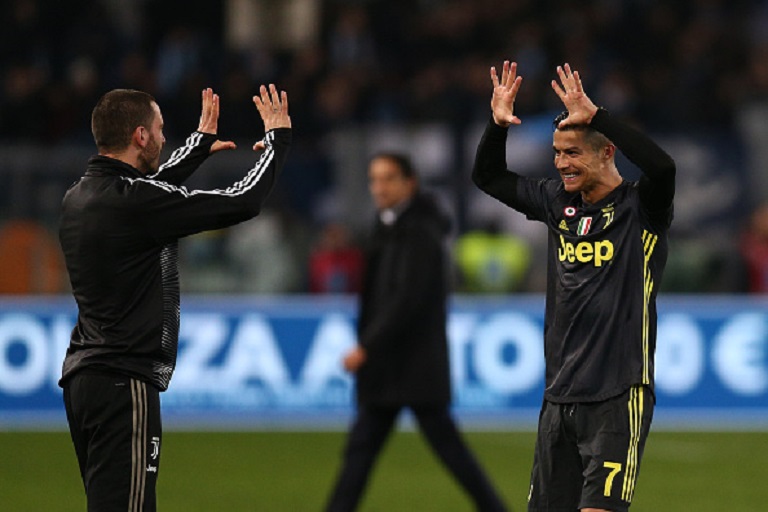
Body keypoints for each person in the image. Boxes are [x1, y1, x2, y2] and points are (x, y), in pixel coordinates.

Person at [58, 84, 291, 511]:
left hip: (87, 379)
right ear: (140, 136)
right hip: (123, 380)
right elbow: (242, 200)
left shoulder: (80, 196)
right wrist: (278, 141)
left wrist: (196, 147)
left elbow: (149, 192)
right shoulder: (134, 204)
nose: (165, 138)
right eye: (160, 129)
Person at [472, 61, 675, 512]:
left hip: (619, 394)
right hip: (559, 397)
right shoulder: (556, 203)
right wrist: (496, 125)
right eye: (557, 153)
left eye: (573, 153)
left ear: (606, 153)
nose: (562, 164)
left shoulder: (641, 209)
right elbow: (488, 177)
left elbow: (663, 166)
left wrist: (597, 115)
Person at [324, 153, 508, 512]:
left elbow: (405, 300)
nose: (379, 187)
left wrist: (367, 346)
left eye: (388, 178)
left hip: (412, 364)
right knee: (363, 451)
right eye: (374, 179)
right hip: (391, 367)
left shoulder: (419, 232)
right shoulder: (389, 226)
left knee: (443, 451)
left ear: (410, 183)